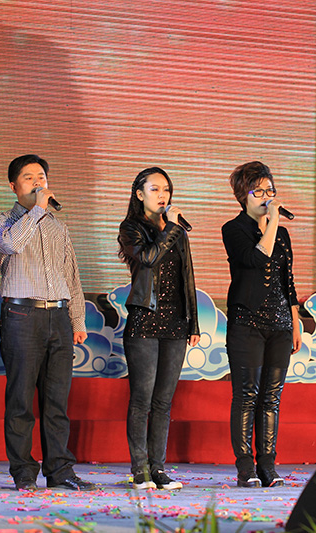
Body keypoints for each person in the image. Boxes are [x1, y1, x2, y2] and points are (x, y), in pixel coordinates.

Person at [0, 154, 93, 491]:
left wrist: (77, 320)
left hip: (58, 316)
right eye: (29, 177)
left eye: (41, 177)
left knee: (56, 401)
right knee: (20, 399)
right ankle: (23, 472)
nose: (37, 182)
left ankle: (60, 471)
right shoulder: (3, 220)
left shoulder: (57, 226)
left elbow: (71, 275)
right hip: (22, 315)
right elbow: (11, 244)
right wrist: (36, 211)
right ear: (13, 186)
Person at [117, 167, 200, 490]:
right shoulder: (131, 228)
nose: (162, 195)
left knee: (164, 401)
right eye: (155, 189)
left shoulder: (178, 232)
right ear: (140, 194)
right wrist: (172, 229)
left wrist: (193, 322)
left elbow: (187, 277)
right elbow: (149, 258)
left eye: (166, 189)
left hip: (176, 321)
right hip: (145, 319)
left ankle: (159, 469)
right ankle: (140, 469)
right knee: (142, 398)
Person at [222, 161, 301, 488]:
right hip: (247, 322)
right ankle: (246, 467)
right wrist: (272, 221)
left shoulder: (281, 234)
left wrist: (295, 322)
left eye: (271, 190)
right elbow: (257, 258)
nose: (267, 197)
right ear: (243, 196)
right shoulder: (234, 229)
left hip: (280, 324)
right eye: (259, 192)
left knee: (271, 397)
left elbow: (288, 280)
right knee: (247, 394)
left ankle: (268, 465)